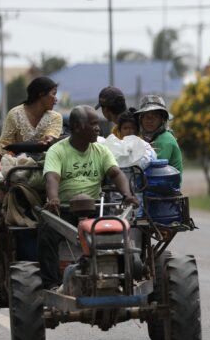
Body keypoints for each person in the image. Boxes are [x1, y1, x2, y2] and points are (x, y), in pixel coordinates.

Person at [38, 105, 139, 289]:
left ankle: (122, 279)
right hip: (64, 210)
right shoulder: (57, 150)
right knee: (46, 232)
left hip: (95, 208)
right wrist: (53, 199)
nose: (98, 128)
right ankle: (52, 285)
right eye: (92, 124)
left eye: (98, 124)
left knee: (118, 232)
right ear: (76, 126)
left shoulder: (101, 150)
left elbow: (116, 173)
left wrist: (128, 195)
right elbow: (52, 177)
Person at [0, 76, 62, 171]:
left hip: (44, 164)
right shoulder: (15, 114)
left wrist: (49, 139)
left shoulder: (56, 117)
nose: (56, 99)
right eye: (54, 94)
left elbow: (52, 134)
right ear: (41, 94)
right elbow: (3, 144)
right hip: (16, 163)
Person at [134, 94, 183, 177]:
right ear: (141, 119)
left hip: (164, 188)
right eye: (146, 116)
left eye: (155, 116)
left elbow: (153, 169)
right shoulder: (150, 138)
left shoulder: (165, 139)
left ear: (162, 119)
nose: (150, 120)